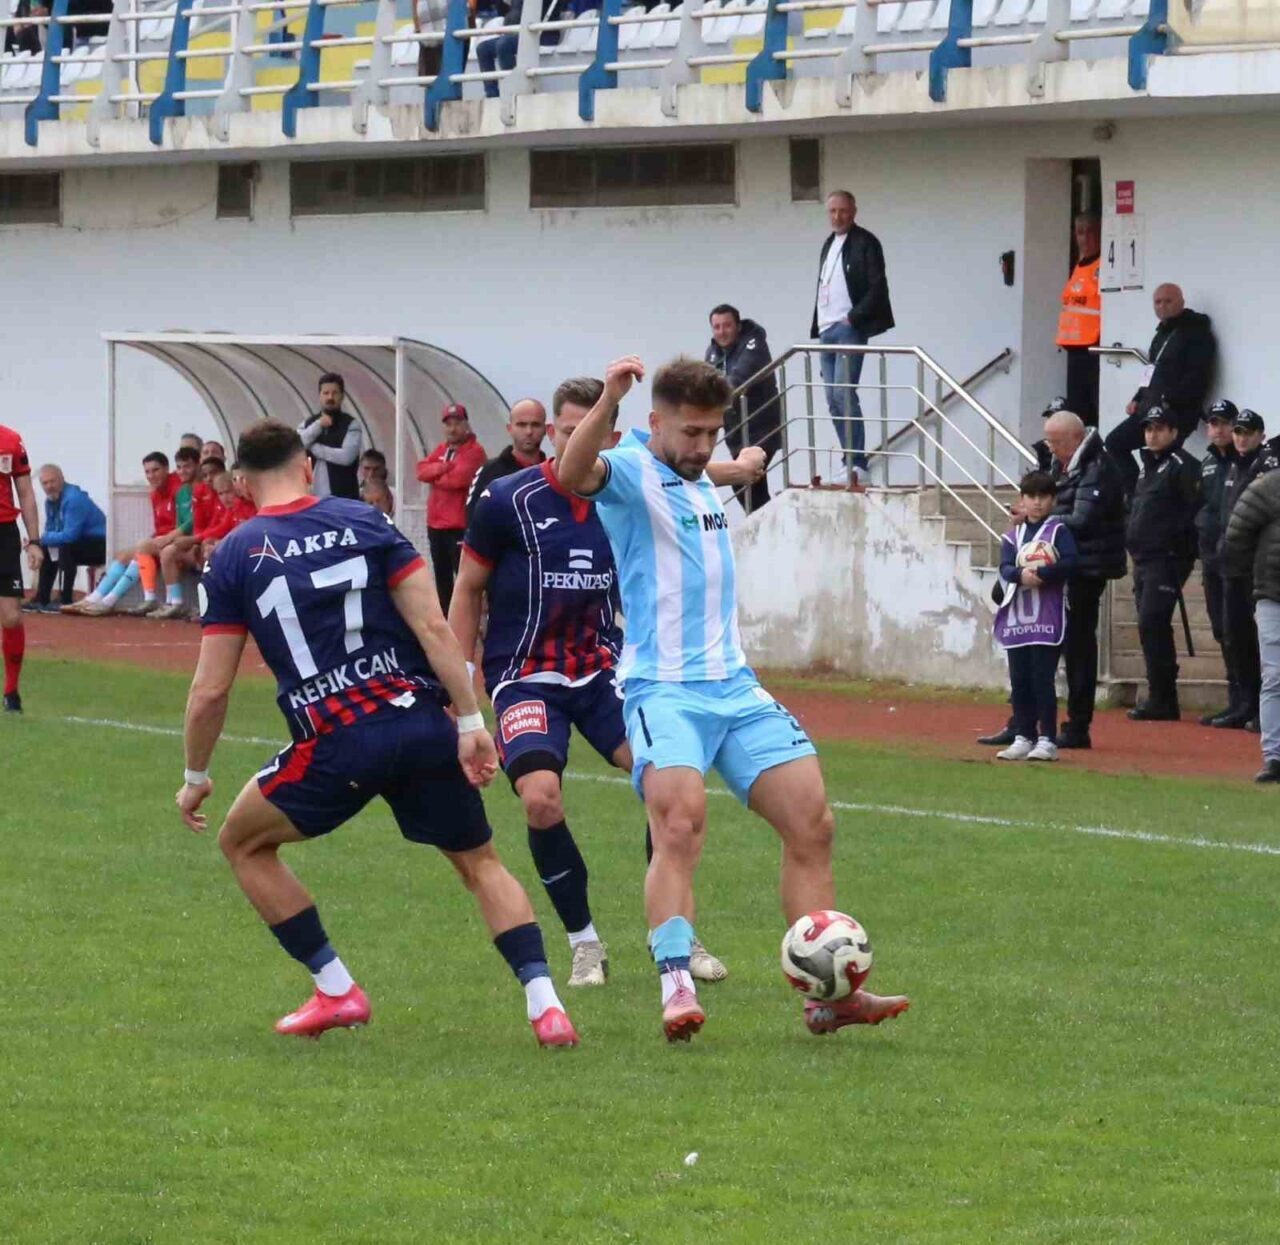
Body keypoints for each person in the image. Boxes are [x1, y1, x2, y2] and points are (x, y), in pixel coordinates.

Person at [176, 419, 579, 1048]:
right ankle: (546, 1006)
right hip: (418, 720)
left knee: (242, 842)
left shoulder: (233, 553)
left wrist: (196, 776)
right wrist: (471, 721)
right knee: (480, 864)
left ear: (242, 483)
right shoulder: (367, 520)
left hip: (336, 740)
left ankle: (337, 989)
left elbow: (210, 691)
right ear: (307, 467)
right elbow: (435, 628)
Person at [557, 354, 909, 1042]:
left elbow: (702, 472)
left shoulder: (694, 473)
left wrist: (742, 466)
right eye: (689, 432)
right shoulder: (626, 469)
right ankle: (676, 983)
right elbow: (573, 473)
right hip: (664, 689)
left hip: (736, 687)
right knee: (679, 825)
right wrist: (607, 400)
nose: (701, 446)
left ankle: (828, 998)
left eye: (711, 432)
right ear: (655, 423)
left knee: (813, 823)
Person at [451, 376, 743, 988]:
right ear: (552, 431)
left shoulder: (629, 494)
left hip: (606, 669)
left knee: (668, 785)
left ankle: (677, 934)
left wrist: (740, 468)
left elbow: (693, 475)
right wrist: (461, 688)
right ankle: (584, 943)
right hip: (525, 675)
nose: (572, 442)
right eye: (564, 430)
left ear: (611, 438)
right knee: (540, 797)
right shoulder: (507, 500)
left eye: (587, 432)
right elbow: (468, 588)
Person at [991, 471, 1078, 762]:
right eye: (1031, 496)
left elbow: (1070, 563)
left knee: (1043, 679)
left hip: (1048, 616)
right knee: (1020, 680)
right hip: (1017, 618)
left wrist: (1043, 573)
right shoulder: (1012, 536)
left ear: (1053, 500)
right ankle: (1023, 736)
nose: (1037, 502)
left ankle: (1047, 739)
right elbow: (1005, 567)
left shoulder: (1058, 532)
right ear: (1022, 500)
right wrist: (1020, 575)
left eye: (1043, 496)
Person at [810, 191, 894, 488]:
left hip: (847, 328)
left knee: (844, 393)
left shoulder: (866, 242)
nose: (837, 217)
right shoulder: (829, 244)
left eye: (843, 211)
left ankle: (858, 463)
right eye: (832, 211)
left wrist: (853, 318)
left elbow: (877, 286)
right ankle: (848, 460)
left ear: (854, 211)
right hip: (826, 329)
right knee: (832, 399)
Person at [1123, 407, 1202, 722]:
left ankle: (1163, 697)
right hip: (1143, 557)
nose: (1152, 434)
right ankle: (1161, 695)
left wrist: (1174, 545)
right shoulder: (1147, 467)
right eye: (1148, 429)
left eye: (1159, 428)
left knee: (1152, 620)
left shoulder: (1183, 465)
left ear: (1173, 432)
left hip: (1167, 558)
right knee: (1149, 625)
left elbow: (1194, 512)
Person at [1104, 284, 1217, 494]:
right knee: (1114, 443)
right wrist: (1137, 397)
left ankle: (1160, 500)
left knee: (1164, 458)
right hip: (1149, 409)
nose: (1162, 306)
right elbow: (1151, 370)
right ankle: (1136, 494)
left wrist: (1169, 399)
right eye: (1158, 302)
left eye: (1168, 301)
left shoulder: (1197, 333)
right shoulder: (1161, 333)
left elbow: (1198, 376)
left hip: (1177, 411)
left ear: (1181, 302)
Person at [67, 450, 189, 616]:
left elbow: (184, 524)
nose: (151, 476)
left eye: (156, 470)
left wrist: (165, 539)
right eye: (147, 472)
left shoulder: (179, 488)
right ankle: (95, 598)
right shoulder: (155, 493)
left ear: (167, 468)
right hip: (162, 541)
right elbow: (161, 526)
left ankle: (109, 601)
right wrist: (157, 539)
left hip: (177, 542)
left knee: (142, 548)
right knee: (123, 556)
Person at [1217, 410, 1277, 731]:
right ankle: (1243, 703)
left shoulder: (1267, 467)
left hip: (1256, 570)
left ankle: (1258, 710)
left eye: (1248, 432)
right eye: (1238, 432)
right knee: (1235, 637)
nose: (1241, 438)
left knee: (1258, 643)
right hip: (1232, 565)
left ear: (1261, 435)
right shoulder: (1234, 465)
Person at [1224, 466, 1280, 783]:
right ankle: (1274, 757)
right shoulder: (1268, 487)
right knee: (1275, 676)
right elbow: (1236, 536)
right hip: (1272, 596)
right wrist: (1253, 582)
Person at [705, 304, 780, 513]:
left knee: (742, 481)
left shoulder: (754, 343)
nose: (722, 332)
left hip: (762, 428)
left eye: (727, 325)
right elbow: (704, 384)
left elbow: (740, 377)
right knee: (752, 485)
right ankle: (765, 522)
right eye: (717, 327)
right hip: (736, 432)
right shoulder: (713, 353)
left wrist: (715, 392)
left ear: (738, 326)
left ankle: (764, 522)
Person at [416, 403, 487, 615]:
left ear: (466, 425)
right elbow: (421, 471)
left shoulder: (475, 451)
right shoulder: (443, 449)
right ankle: (446, 620)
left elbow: (457, 480)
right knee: (442, 578)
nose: (452, 428)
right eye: (448, 424)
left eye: (457, 423)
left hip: (458, 526)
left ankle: (468, 621)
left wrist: (435, 474)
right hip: (436, 524)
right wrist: (444, 467)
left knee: (464, 579)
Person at [1196, 400, 1240, 725]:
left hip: (1238, 561)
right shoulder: (1207, 462)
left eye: (1225, 423)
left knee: (1239, 631)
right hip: (1211, 558)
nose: (1219, 429)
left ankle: (1248, 701)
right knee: (1221, 630)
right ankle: (1234, 699)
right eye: (1214, 423)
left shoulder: (1247, 461)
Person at [25, 464, 106, 612]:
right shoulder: (50, 501)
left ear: (62, 479)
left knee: (66, 548)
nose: (49, 486)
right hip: (80, 543)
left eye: (52, 481)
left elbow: (70, 535)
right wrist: (36, 544)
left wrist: (41, 539)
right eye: (45, 483)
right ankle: (42, 599)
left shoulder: (74, 499)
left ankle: (65, 599)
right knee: (47, 548)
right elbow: (51, 530)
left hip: (101, 545)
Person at [0, 423, 41, 713]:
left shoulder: (11, 440)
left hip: (3, 534)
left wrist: (35, 541)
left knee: (12, 617)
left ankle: (11, 691)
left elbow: (25, 492)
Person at [465, 398, 548, 521]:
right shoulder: (489, 472)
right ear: (510, 428)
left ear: (545, 429)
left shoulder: (555, 473)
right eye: (521, 425)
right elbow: (473, 519)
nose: (529, 431)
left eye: (535, 425)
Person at [1055, 214, 1102, 429]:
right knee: (1076, 413)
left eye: (1090, 231)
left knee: (1092, 409)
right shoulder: (1079, 265)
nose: (1085, 237)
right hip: (1074, 347)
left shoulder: (1102, 265)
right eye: (1080, 232)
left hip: (1092, 347)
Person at [299, 373, 362, 500]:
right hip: (311, 498)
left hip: (343, 497)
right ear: (319, 396)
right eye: (326, 393)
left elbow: (346, 457)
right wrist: (318, 425)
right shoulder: (307, 424)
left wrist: (313, 447)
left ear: (342, 396)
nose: (330, 397)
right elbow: (295, 445)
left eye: (335, 393)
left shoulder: (351, 424)